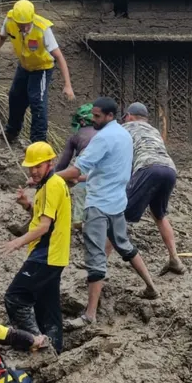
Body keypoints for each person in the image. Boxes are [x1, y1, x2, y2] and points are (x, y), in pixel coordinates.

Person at [57, 98, 158, 331]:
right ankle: (151, 286)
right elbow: (106, 170)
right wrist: (77, 179)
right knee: (123, 245)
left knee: (95, 256)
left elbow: (76, 168)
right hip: (117, 202)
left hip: (98, 205)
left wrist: (50, 177)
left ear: (111, 115)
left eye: (97, 116)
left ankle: (90, 314)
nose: (93, 120)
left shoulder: (101, 139)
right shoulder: (123, 135)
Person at [3, 142, 71, 354]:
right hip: (52, 254)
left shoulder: (53, 184)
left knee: (15, 297)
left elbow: (43, 227)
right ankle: (53, 348)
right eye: (30, 167)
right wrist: (26, 204)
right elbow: (41, 216)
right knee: (47, 306)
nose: (33, 171)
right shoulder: (47, 186)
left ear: (49, 163)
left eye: (38, 166)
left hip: (46, 254)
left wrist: (17, 241)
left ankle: (34, 341)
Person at [0, 0, 75, 144]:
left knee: (37, 101)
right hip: (24, 66)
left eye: (26, 24)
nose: (24, 28)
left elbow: (59, 57)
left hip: (42, 68)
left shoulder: (42, 28)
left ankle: (38, 141)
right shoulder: (10, 20)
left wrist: (67, 85)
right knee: (15, 96)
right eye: (20, 24)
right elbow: (1, 37)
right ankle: (11, 132)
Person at [121, 103, 186, 276]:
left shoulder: (125, 128)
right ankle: (174, 258)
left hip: (148, 168)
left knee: (118, 216)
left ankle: (100, 264)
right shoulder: (154, 130)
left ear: (129, 116)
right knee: (159, 215)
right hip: (169, 169)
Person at [56, 103, 98, 229]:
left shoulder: (76, 135)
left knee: (80, 190)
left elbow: (64, 162)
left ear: (81, 121)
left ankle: (79, 219)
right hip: (101, 162)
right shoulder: (102, 132)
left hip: (84, 161)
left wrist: (53, 175)